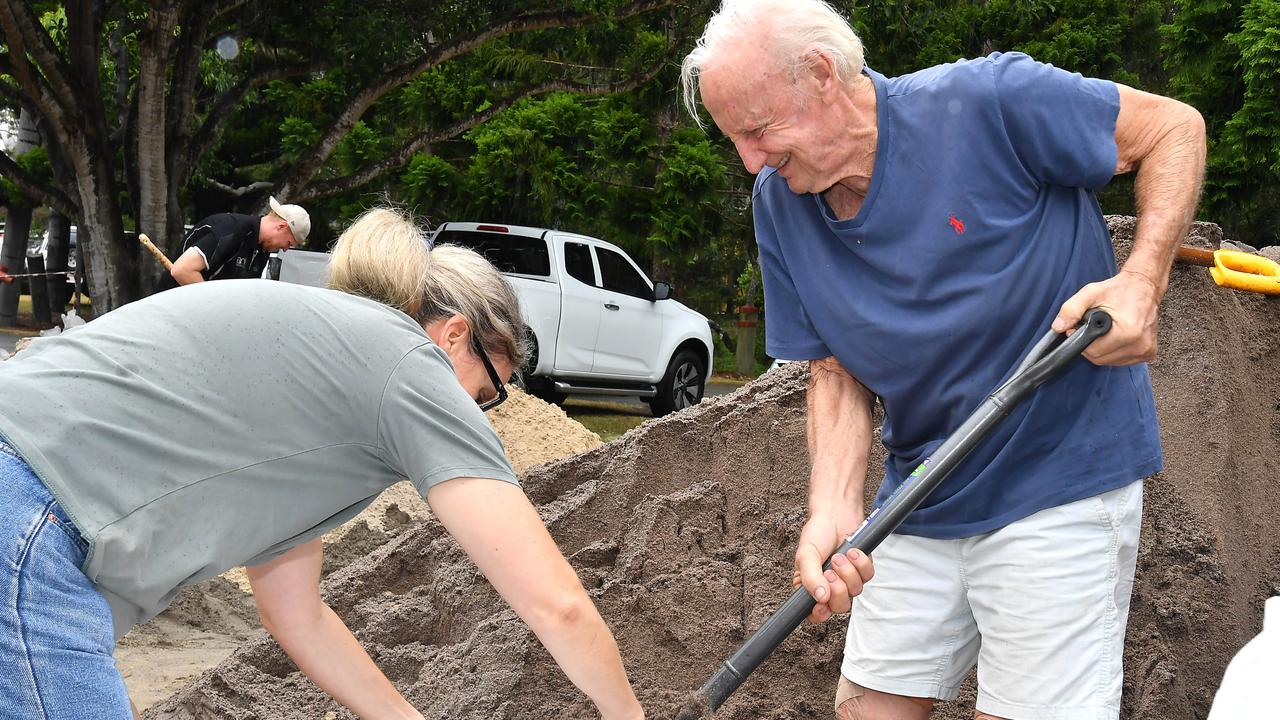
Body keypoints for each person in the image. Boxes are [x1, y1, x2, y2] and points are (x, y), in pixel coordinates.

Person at [681, 1, 1205, 718]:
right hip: (920, 492)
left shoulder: (987, 102)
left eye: (759, 129)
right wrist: (831, 507)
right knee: (867, 710)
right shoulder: (782, 203)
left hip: (1057, 481)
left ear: (823, 76)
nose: (749, 161)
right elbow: (834, 369)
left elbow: (1173, 127)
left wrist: (1143, 279)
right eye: (733, 139)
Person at [0, 207, 644, 720]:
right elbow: (555, 604)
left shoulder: (327, 371)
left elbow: (296, 611)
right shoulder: (405, 364)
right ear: (453, 335)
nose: (478, 417)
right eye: (484, 395)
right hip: (28, 514)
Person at [163, 196, 311, 286]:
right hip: (172, 313)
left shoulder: (262, 253)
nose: (285, 249)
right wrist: (214, 308)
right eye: (289, 243)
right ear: (281, 227)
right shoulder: (231, 229)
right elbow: (182, 270)